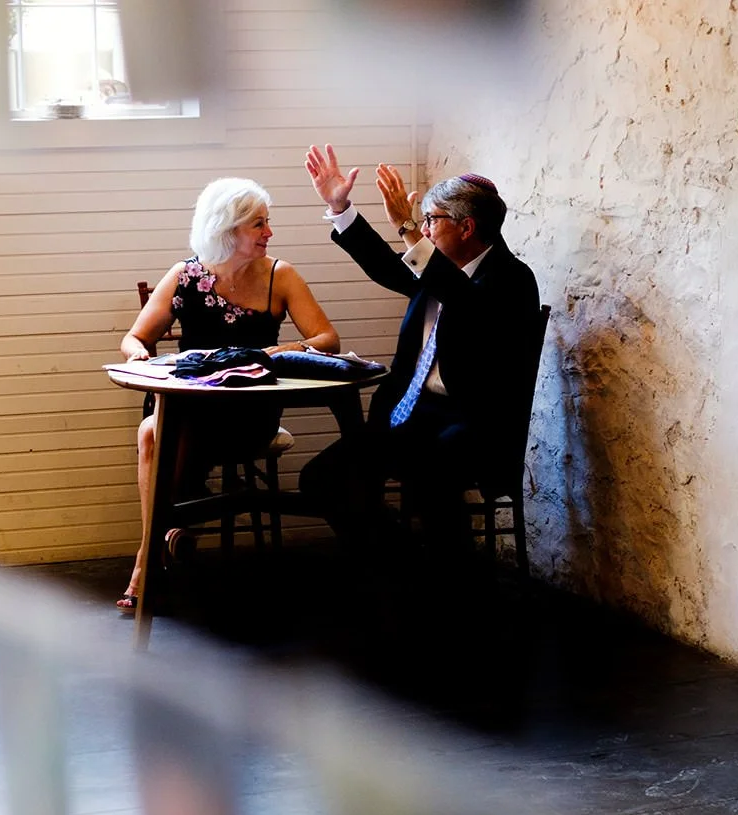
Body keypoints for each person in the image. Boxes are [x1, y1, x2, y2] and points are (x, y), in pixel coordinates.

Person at [299, 144, 540, 564]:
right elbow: (386, 266)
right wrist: (341, 208)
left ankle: (449, 576)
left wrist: (408, 228)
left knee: (432, 471)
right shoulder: (434, 267)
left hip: (475, 420)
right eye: (423, 221)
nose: (424, 230)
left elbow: (465, 301)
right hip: (414, 412)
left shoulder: (511, 279)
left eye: (431, 220)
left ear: (466, 228)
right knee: (320, 478)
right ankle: (401, 558)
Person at [117, 177, 339, 613]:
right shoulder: (185, 275)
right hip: (189, 406)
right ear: (227, 228)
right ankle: (160, 542)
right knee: (154, 430)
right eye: (258, 224)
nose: (268, 233)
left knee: (153, 433)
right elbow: (134, 337)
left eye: (266, 223)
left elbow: (327, 339)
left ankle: (153, 552)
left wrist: (279, 350)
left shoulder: (281, 275)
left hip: (248, 414)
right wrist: (141, 356)